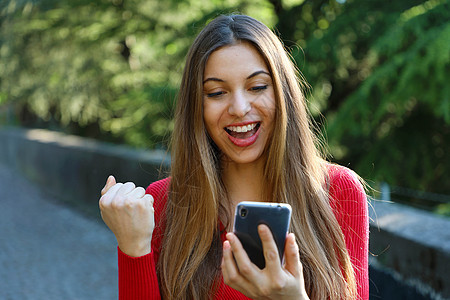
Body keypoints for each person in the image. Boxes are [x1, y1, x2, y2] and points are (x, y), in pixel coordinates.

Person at [99, 14, 369, 300]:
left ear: (283, 94)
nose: (239, 108)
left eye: (257, 87)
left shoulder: (338, 191)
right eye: (216, 92)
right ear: (197, 107)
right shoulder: (164, 203)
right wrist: (133, 248)